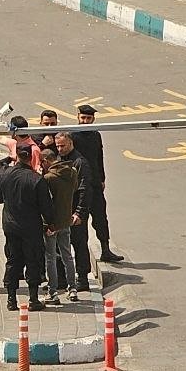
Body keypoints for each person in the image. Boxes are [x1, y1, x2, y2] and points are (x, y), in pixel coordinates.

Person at [0, 144, 55, 311]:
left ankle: (11, 299)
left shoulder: (5, 174)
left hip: (10, 225)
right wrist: (51, 223)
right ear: (31, 157)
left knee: (13, 260)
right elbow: (46, 206)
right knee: (33, 261)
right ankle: (33, 299)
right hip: (31, 227)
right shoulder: (36, 179)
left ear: (17, 156)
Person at [73, 104, 124, 263]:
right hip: (79, 186)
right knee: (80, 223)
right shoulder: (73, 136)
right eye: (83, 118)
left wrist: (102, 178)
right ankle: (82, 258)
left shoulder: (96, 135)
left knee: (101, 218)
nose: (86, 121)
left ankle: (105, 249)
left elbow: (99, 157)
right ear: (78, 118)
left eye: (89, 118)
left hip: (95, 184)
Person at [55, 132, 93, 292]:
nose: (60, 148)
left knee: (79, 244)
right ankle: (61, 279)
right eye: (57, 146)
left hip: (74, 213)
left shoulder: (80, 162)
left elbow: (85, 190)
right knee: (58, 247)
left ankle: (82, 278)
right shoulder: (58, 159)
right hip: (61, 212)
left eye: (62, 145)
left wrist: (79, 213)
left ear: (71, 144)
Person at [41, 148, 79, 303]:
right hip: (66, 220)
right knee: (67, 255)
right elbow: (75, 189)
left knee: (50, 258)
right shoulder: (72, 171)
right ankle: (73, 289)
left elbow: (46, 202)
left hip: (52, 223)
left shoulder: (49, 178)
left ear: (45, 161)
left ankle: (53, 292)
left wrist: (48, 224)